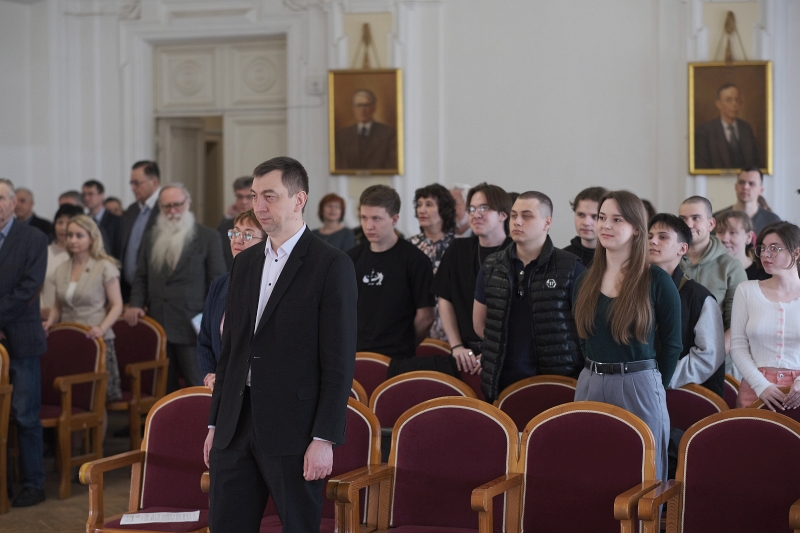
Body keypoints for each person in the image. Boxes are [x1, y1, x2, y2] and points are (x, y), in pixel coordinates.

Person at [204, 156, 356, 533]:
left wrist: (324, 438)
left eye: (269, 196)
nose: (258, 206)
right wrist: (215, 422)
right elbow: (231, 351)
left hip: (295, 428)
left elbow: (338, 362)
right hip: (235, 425)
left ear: (298, 199)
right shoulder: (245, 263)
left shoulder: (331, 264)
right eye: (255, 196)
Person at [573, 190, 682, 486]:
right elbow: (583, 337)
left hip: (639, 381)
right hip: (591, 379)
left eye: (617, 219)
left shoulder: (656, 280)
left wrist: (654, 383)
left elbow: (672, 344)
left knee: (644, 475)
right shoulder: (584, 280)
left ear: (636, 228)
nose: (605, 225)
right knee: (589, 471)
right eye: (602, 218)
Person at [474, 191, 585, 402]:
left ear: (547, 222)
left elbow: (585, 328)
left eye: (527, 216)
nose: (517, 222)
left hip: (557, 380)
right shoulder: (492, 266)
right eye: (514, 215)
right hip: (501, 380)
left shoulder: (571, 267)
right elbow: (480, 324)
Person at [125, 184, 226, 392]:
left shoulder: (208, 237)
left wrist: (212, 320)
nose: (172, 211)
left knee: (198, 384)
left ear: (187, 203)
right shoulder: (151, 237)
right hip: (159, 322)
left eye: (177, 205)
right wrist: (136, 303)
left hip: (192, 326)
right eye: (167, 206)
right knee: (164, 388)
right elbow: (141, 275)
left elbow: (218, 283)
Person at [347, 185, 435, 374]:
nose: (368, 226)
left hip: (398, 360)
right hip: (354, 356)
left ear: (394, 219)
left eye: (376, 218)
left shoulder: (416, 260)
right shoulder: (350, 259)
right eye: (364, 218)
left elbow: (426, 317)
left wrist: (403, 343)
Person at [0, 179, 49, 507]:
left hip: (21, 341)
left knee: (25, 415)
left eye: (1, 198)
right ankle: (4, 482)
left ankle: (33, 484)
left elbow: (29, 288)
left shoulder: (33, 237)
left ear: (13, 202)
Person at [433, 183, 512, 376]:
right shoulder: (458, 249)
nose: (476, 214)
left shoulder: (517, 253)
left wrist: (494, 352)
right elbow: (444, 298)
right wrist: (456, 346)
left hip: (507, 354)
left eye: (484, 208)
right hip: (464, 351)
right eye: (472, 209)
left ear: (503, 215)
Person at [42, 215, 123, 402]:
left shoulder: (104, 266)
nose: (73, 240)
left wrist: (101, 328)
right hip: (68, 336)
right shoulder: (62, 268)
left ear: (92, 238)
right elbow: (57, 306)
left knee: (95, 399)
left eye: (79, 236)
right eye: (69, 235)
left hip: (95, 337)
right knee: (70, 397)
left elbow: (117, 305)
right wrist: (50, 322)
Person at [648, 213, 725, 396]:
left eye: (663, 237)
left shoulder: (698, 297)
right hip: (637, 387)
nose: (653, 241)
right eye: (649, 236)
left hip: (683, 394)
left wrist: (661, 377)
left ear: (682, 248)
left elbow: (709, 356)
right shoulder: (632, 289)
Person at [730, 221, 800, 411]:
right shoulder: (746, 290)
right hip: (755, 385)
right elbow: (738, 346)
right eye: (762, 248)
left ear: (796, 253)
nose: (765, 254)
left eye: (774, 248)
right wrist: (760, 384)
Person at [197, 209, 266, 390]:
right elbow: (204, 341)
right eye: (235, 233)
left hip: (260, 389)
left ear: (266, 243)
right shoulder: (219, 285)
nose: (238, 240)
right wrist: (210, 375)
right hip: (222, 390)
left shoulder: (272, 286)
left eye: (248, 235)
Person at [678, 196, 747, 352]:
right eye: (683, 219)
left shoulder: (731, 266)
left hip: (715, 357)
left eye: (696, 218)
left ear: (711, 224)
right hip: (671, 357)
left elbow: (738, 324)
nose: (688, 224)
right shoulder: (668, 261)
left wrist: (711, 358)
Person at [408, 183, 456, 341]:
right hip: (414, 329)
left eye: (429, 204)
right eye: (419, 204)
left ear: (444, 209)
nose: (421, 210)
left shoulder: (460, 246)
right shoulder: (409, 246)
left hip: (453, 333)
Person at [695, 82, 762, 170]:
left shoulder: (746, 128)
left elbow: (756, 165)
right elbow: (701, 169)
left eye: (737, 100)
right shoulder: (705, 132)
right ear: (718, 104)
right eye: (729, 100)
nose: (734, 104)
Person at [120, 160, 161, 301]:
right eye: (131, 183)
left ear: (154, 182)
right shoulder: (132, 209)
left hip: (153, 291)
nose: (133, 188)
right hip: (128, 290)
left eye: (137, 183)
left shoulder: (165, 209)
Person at [335, 89, 398, 171]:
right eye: (359, 105)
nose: (362, 110)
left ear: (374, 107)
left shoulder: (389, 134)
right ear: (353, 108)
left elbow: (391, 167)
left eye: (366, 105)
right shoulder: (342, 136)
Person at [40, 204, 84, 320]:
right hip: (46, 316)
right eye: (60, 222)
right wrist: (41, 307)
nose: (63, 228)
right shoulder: (43, 252)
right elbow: (35, 285)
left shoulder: (82, 255)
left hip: (76, 318)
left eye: (68, 223)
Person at [713, 167, 781, 235]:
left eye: (751, 184)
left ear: (761, 190)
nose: (745, 187)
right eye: (741, 182)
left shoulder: (772, 220)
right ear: (736, 186)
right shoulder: (717, 218)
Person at [716, 210, 769, 281]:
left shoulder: (764, 273)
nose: (725, 239)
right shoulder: (708, 269)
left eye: (732, 232)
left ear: (748, 237)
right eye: (720, 232)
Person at [563, 186, 607, 267]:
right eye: (581, 215)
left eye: (595, 216)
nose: (586, 223)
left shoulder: (617, 258)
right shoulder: (562, 258)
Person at [217, 176, 254, 270]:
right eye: (240, 197)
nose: (244, 202)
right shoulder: (225, 227)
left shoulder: (267, 226)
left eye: (249, 197)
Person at [83, 179, 123, 260]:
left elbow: (119, 250)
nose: (86, 198)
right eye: (84, 194)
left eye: (90, 194)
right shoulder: (83, 221)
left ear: (102, 196)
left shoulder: (117, 221)